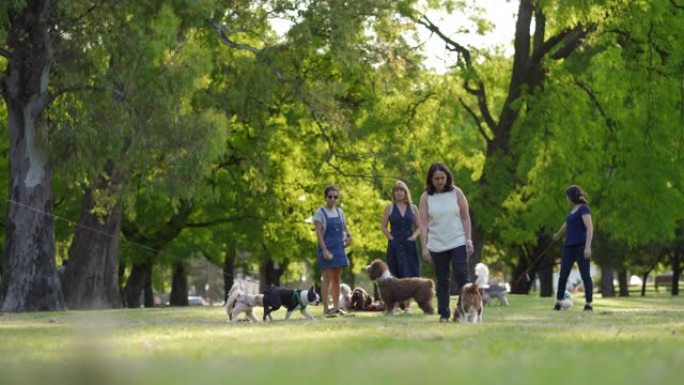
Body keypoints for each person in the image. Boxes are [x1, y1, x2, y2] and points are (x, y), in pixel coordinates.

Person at [419, 162, 474, 322]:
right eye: (436, 178)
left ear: (447, 177)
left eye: (443, 178)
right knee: (442, 279)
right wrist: (424, 246)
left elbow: (465, 217)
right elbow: (422, 223)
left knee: (462, 275)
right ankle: (444, 314)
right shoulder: (426, 197)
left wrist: (468, 239)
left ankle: (466, 310)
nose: (440, 181)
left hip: (457, 240)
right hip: (437, 243)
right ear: (431, 179)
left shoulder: (457, 193)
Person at [381, 180, 421, 310]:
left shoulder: (413, 208)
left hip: (409, 244)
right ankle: (396, 305)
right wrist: (390, 238)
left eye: (401, 190)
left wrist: (413, 237)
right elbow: (383, 226)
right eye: (396, 191)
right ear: (394, 193)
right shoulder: (389, 207)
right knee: (394, 273)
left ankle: (408, 306)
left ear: (405, 192)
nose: (399, 193)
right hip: (395, 243)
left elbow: (420, 227)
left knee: (409, 274)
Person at [553, 185, 594, 311]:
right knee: (563, 274)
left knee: (585, 275)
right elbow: (565, 226)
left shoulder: (584, 209)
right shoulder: (571, 212)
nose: (566, 200)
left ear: (571, 197)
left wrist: (587, 247)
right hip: (568, 247)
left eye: (567, 197)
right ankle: (559, 301)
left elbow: (590, 228)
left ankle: (589, 303)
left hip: (581, 247)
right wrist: (557, 235)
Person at [313, 185, 352, 317]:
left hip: (339, 248)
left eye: (335, 197)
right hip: (327, 248)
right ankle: (326, 309)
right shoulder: (320, 212)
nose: (333, 199)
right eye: (330, 196)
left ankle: (336, 307)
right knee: (327, 278)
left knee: (337, 278)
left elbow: (345, 228)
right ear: (325, 197)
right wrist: (324, 249)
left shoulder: (340, 212)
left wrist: (349, 236)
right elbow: (318, 233)